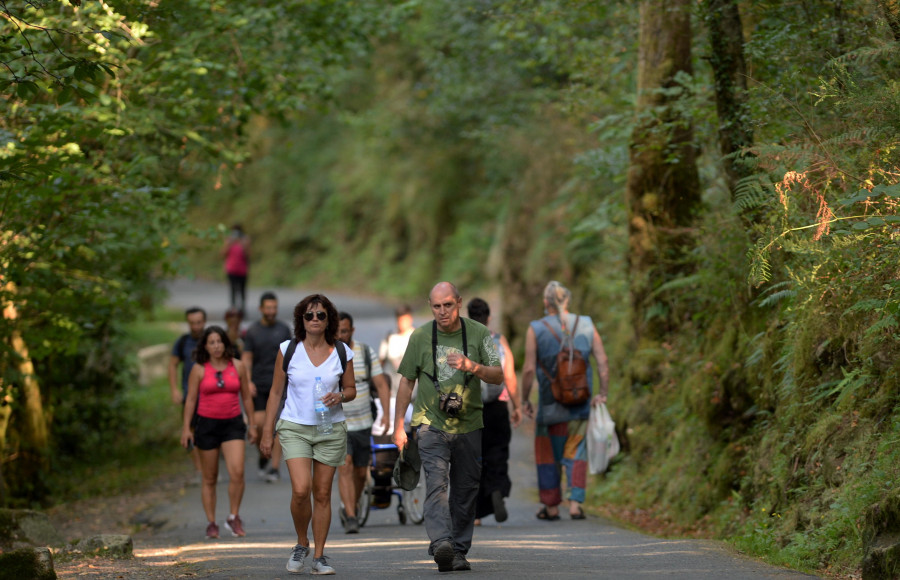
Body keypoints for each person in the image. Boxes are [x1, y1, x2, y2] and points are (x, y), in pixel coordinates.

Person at [392, 282, 503, 573]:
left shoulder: (479, 333)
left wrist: (472, 367)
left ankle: (458, 550)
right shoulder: (419, 337)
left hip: (469, 424)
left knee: (466, 489)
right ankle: (442, 542)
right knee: (437, 484)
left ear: (459, 303)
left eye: (448, 305)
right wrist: (398, 426)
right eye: (436, 306)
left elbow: (498, 375)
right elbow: (406, 381)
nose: (442, 312)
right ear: (431, 306)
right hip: (430, 424)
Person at [260, 294, 357, 575]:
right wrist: (267, 432)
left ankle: (319, 556)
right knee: (302, 490)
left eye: (321, 315)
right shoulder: (288, 349)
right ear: (301, 319)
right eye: (309, 315)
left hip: (330, 428)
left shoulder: (341, 351)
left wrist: (339, 396)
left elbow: (351, 389)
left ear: (329, 320)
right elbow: (276, 393)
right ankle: (301, 542)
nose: (315, 320)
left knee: (323, 493)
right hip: (294, 427)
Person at [520, 281, 610, 521]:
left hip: (550, 406)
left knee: (548, 454)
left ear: (546, 303)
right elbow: (602, 361)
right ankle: (575, 505)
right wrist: (603, 392)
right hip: (580, 402)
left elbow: (528, 369)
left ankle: (550, 507)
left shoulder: (536, 329)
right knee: (577, 451)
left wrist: (524, 399)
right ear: (567, 300)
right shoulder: (587, 324)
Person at [180, 326, 256, 539]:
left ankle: (234, 516)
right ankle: (211, 522)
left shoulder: (238, 366)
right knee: (210, 477)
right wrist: (187, 428)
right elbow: (191, 400)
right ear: (205, 346)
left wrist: (252, 424)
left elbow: (247, 397)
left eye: (219, 341)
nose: (216, 346)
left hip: (232, 423)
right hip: (207, 425)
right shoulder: (199, 369)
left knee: (237, 472)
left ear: (226, 343)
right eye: (211, 342)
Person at [466, 298, 522, 526]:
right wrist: (517, 406)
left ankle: (476, 513)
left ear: (469, 317)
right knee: (498, 452)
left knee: (474, 457)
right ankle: (497, 487)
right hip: (497, 406)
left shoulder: (464, 341)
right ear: (488, 317)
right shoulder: (499, 340)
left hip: (472, 408)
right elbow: (509, 375)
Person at [336, 311, 391, 534]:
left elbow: (381, 384)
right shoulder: (328, 353)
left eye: (345, 331)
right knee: (345, 466)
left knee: (360, 473)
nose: (341, 335)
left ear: (352, 331)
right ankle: (350, 515)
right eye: (337, 331)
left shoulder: (365, 352)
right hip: (338, 422)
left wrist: (387, 414)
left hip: (363, 422)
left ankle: (353, 503)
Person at [242, 291, 293, 482]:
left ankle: (274, 467)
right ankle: (265, 454)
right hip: (259, 384)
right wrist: (247, 381)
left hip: (281, 385)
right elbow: (247, 358)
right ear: (261, 309)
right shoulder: (253, 331)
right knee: (261, 423)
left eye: (274, 307)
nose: (271, 311)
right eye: (268, 308)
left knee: (279, 425)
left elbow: (291, 356)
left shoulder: (283, 329)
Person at [168, 306, 206, 474]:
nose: (196, 326)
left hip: (209, 397)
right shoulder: (182, 342)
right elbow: (173, 365)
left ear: (204, 322)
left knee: (208, 435)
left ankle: (209, 469)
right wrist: (174, 389)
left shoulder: (213, 341)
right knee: (189, 433)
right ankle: (200, 470)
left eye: (199, 322)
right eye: (192, 323)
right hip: (189, 396)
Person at [377, 304, 415, 435]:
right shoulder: (389, 338)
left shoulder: (416, 337)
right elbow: (379, 364)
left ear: (410, 319)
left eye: (404, 319)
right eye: (399, 319)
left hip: (414, 394)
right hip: (393, 393)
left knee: (414, 428)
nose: (402, 323)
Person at [221, 224, 250, 311]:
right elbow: (223, 254)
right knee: (232, 288)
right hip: (231, 269)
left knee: (242, 289)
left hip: (242, 270)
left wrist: (243, 244)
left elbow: (248, 255)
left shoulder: (245, 240)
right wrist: (229, 243)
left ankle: (242, 308)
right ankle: (233, 308)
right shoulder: (229, 240)